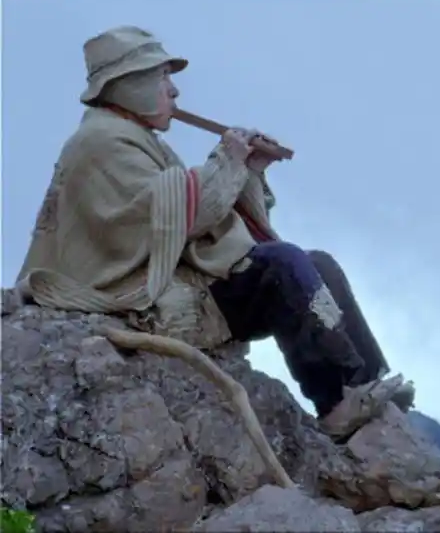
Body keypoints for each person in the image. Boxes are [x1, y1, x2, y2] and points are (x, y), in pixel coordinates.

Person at [15, 25, 412, 432]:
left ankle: (367, 382)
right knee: (282, 265)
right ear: (127, 85)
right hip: (134, 290)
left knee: (318, 264)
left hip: (178, 271)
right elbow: (170, 216)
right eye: (160, 78)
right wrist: (227, 161)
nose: (174, 91)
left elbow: (188, 204)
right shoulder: (99, 142)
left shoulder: (133, 136)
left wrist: (246, 168)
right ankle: (336, 403)